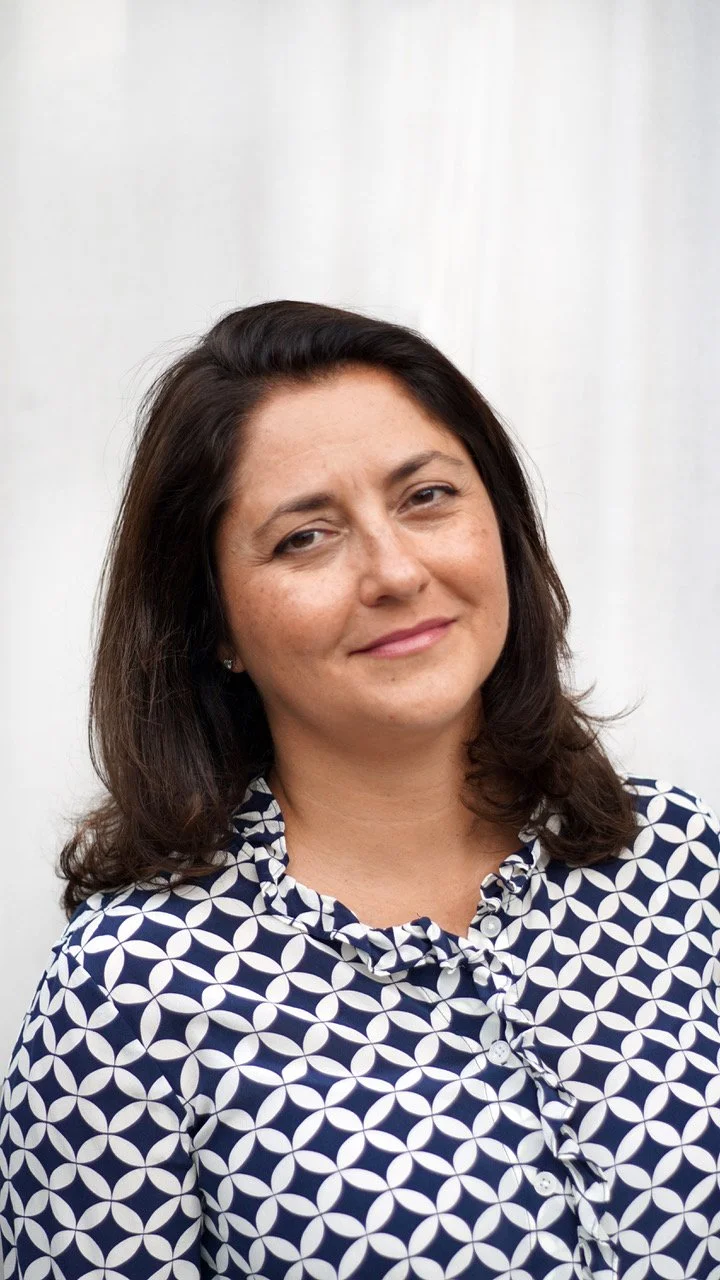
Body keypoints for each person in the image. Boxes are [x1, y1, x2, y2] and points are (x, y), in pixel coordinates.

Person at [0, 300, 718, 1280]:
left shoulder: (681, 860)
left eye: (425, 497)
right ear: (212, 621)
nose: (394, 570)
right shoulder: (133, 991)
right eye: (305, 536)